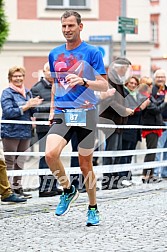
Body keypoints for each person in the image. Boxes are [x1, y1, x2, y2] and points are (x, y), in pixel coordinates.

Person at [45, 10, 108, 226]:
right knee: (50, 154)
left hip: (86, 111)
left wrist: (83, 81)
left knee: (84, 165)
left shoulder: (92, 52)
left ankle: (93, 207)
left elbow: (104, 84)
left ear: (80, 27)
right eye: (64, 26)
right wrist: (53, 109)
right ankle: (68, 189)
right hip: (63, 112)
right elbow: (55, 83)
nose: (67, 30)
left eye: (71, 25)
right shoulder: (54, 54)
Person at [1, 66, 43, 198]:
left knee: (20, 161)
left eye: (20, 76)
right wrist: (26, 106)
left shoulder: (28, 92)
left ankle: (18, 188)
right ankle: (8, 191)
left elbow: (31, 112)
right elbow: (8, 112)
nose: (18, 78)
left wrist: (35, 106)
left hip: (26, 131)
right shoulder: (7, 93)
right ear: (10, 78)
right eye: (15, 76)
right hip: (11, 132)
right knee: (10, 161)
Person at [99, 57, 134, 190]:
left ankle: (114, 180)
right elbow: (109, 102)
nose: (126, 70)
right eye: (125, 67)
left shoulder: (117, 80)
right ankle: (107, 181)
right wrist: (124, 110)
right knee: (111, 152)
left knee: (116, 152)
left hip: (117, 122)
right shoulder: (110, 80)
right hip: (110, 121)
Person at [30, 62, 63, 197]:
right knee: (45, 158)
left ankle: (53, 185)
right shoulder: (37, 88)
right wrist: (53, 108)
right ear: (43, 72)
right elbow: (34, 109)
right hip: (44, 128)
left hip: (57, 128)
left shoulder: (60, 86)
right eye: (48, 70)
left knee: (55, 157)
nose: (51, 73)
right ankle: (44, 188)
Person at [119, 76, 149, 183]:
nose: (132, 85)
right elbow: (130, 110)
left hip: (135, 129)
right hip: (127, 128)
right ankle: (122, 176)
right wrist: (141, 107)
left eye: (135, 84)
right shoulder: (125, 94)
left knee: (130, 154)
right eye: (131, 83)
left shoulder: (136, 95)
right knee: (124, 154)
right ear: (126, 83)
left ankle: (127, 176)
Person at [139, 77, 167, 183]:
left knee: (153, 152)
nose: (151, 87)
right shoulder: (144, 98)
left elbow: (157, 105)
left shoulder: (149, 97)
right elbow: (157, 109)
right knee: (151, 152)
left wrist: (163, 100)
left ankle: (149, 175)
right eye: (149, 85)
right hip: (150, 127)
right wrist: (165, 102)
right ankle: (146, 175)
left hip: (155, 126)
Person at [151, 69, 167, 178]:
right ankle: (156, 173)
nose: (160, 79)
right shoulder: (152, 90)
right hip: (159, 124)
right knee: (158, 149)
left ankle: (165, 172)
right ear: (154, 79)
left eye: (162, 77)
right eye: (158, 77)